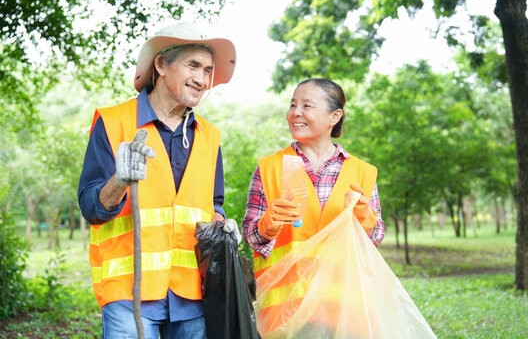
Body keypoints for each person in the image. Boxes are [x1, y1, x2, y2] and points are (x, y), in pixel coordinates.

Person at [78, 22, 241, 339]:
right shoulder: (113, 123)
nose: (203, 79)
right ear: (161, 64)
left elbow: (212, 204)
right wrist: (119, 182)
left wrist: (221, 223)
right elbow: (90, 208)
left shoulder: (210, 137)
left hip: (193, 295)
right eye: (193, 65)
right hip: (129, 295)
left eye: (208, 70)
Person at [242, 78, 384, 330]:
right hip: (284, 316)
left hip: (343, 313)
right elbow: (252, 238)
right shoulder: (269, 168)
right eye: (292, 105)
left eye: (307, 106)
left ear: (334, 116)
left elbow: (375, 239)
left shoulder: (362, 172)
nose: (296, 112)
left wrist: (366, 217)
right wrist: (266, 225)